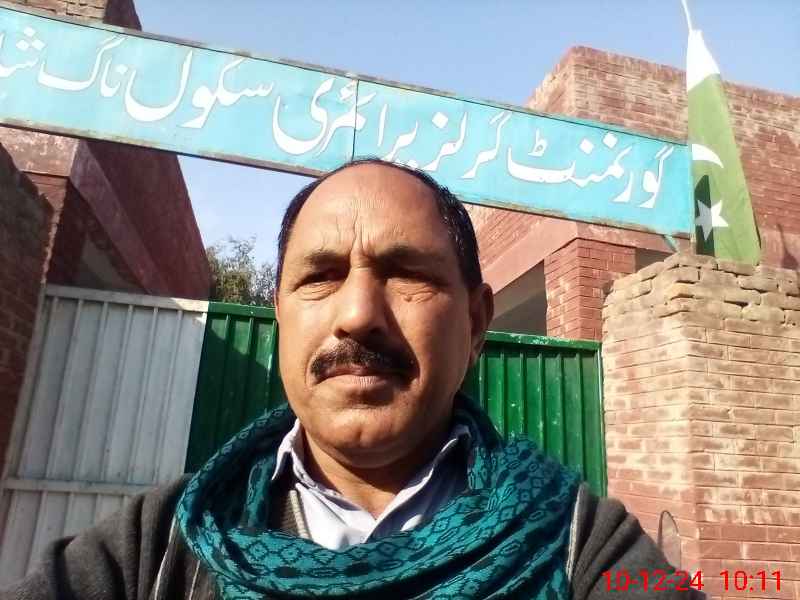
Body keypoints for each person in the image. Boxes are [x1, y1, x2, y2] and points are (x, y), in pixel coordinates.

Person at [2, 158, 701, 599]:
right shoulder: (158, 550)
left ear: (475, 323)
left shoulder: (579, 542)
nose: (359, 314)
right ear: (280, 316)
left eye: (406, 273)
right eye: (321, 277)